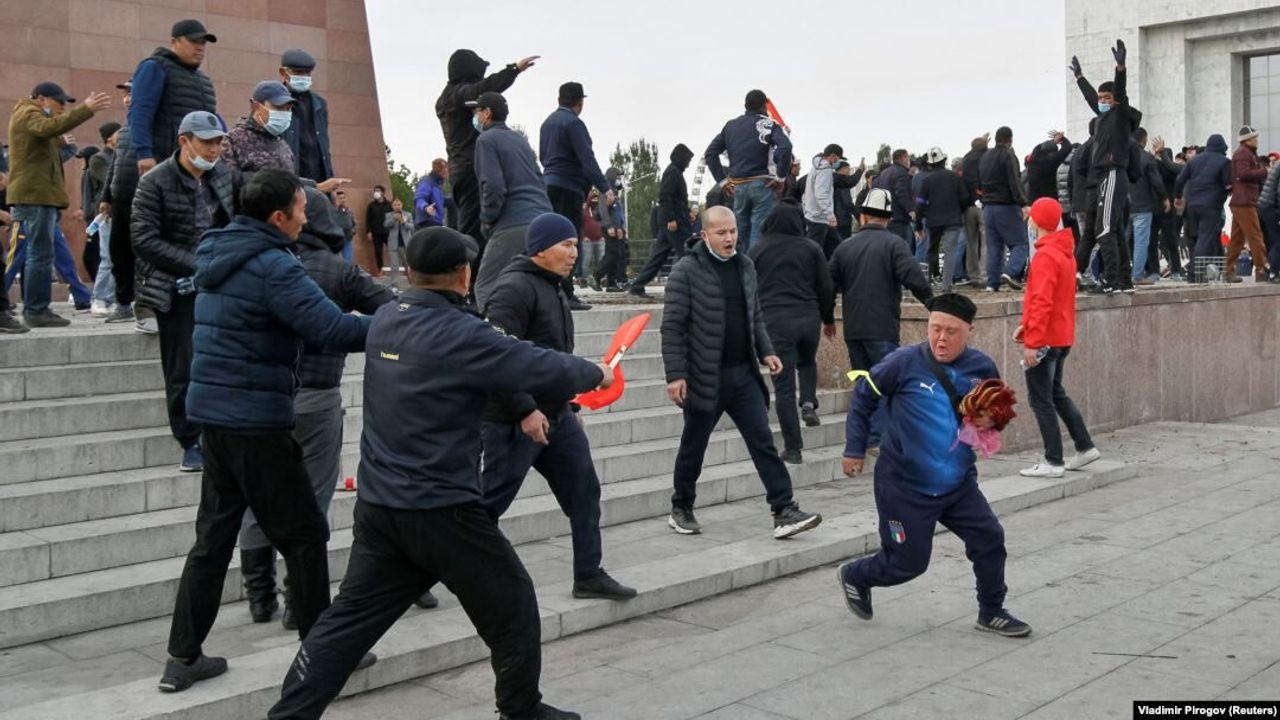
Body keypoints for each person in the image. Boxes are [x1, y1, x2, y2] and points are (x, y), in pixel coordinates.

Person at [267, 225, 607, 720]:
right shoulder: (462, 333)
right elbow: (534, 364)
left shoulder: (385, 318)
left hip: (382, 505)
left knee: (346, 623)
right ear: (463, 274)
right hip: (442, 508)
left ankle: (288, 715)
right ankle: (521, 707)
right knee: (512, 605)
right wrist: (594, 373)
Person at [159, 169, 372, 694]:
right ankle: (323, 657)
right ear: (279, 217)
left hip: (214, 417)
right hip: (254, 421)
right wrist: (407, 319)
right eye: (301, 209)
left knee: (212, 540)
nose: (306, 216)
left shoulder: (219, 251)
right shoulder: (274, 265)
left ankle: (181, 658)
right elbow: (333, 329)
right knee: (304, 534)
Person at [238, 186, 396, 628]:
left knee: (260, 496)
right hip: (317, 397)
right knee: (313, 500)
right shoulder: (338, 271)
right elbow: (390, 310)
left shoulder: (259, 265)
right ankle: (299, 599)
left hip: (263, 400)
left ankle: (259, 595)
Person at [836, 292, 1031, 638]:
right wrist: (855, 448)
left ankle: (991, 611)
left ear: (969, 330)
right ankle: (857, 575)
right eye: (935, 329)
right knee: (907, 563)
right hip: (903, 487)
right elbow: (864, 395)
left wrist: (991, 421)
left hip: (958, 485)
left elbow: (996, 412)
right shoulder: (903, 362)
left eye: (951, 331)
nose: (941, 338)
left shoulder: (981, 367)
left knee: (989, 538)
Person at [479, 212, 636, 600]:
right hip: (514, 421)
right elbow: (496, 360)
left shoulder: (554, 288)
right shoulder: (512, 290)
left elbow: (552, 358)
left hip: (557, 416)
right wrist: (525, 410)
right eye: (566, 244)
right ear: (539, 249)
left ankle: (588, 574)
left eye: (575, 244)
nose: (574, 252)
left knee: (584, 493)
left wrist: (569, 405)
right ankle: (421, 572)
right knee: (484, 509)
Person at [661, 205, 822, 538]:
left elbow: (756, 316)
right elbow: (672, 328)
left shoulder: (746, 266)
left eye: (733, 231)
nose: (730, 238)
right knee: (694, 445)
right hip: (703, 375)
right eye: (721, 233)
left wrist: (767, 351)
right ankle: (682, 507)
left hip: (742, 374)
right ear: (705, 235)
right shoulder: (685, 271)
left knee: (763, 441)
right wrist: (676, 375)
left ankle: (784, 509)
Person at [131, 110, 236, 474]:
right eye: (206, 142)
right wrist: (197, 264)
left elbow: (237, 216)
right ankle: (189, 440)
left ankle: (218, 430)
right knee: (183, 367)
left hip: (219, 282)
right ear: (184, 141)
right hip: (175, 287)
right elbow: (143, 239)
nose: (213, 149)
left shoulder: (222, 175)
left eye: (218, 142)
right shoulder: (154, 181)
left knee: (222, 361)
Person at [106, 21, 217, 325]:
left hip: (182, 170)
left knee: (173, 235)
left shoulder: (203, 82)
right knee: (130, 235)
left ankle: (160, 299)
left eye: (204, 44)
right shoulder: (154, 68)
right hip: (144, 167)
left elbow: (212, 124)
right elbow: (140, 112)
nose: (200, 48)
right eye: (194, 41)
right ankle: (126, 300)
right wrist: (144, 154)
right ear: (174, 41)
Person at [830, 187, 933, 452]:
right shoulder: (894, 245)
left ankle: (863, 436)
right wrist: (934, 306)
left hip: (853, 329)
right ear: (887, 218)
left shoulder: (845, 247)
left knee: (863, 383)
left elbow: (828, 286)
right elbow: (914, 279)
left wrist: (827, 318)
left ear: (862, 216)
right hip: (883, 329)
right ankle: (878, 437)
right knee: (885, 384)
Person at [6, 81, 110, 327]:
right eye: (59, 102)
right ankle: (36, 310)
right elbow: (46, 128)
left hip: (39, 196)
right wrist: (86, 109)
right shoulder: (28, 112)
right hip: (35, 196)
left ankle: (37, 308)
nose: (62, 108)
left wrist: (63, 144)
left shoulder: (31, 118)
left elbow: (47, 153)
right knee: (39, 254)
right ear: (41, 99)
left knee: (39, 253)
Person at [1016, 198, 1101, 478]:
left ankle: (1053, 460)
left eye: (1031, 216)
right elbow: (1050, 300)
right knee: (1055, 393)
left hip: (1046, 339)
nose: (1028, 220)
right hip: (1062, 336)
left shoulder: (1045, 256)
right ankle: (1085, 446)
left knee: (1041, 399)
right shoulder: (1065, 252)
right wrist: (1025, 326)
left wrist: (1033, 340)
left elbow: (1041, 301)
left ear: (1037, 221)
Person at [747, 201, 835, 464]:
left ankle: (794, 449)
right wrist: (827, 318)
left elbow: (746, 289)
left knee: (784, 388)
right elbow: (826, 287)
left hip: (775, 323)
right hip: (808, 320)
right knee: (807, 362)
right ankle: (808, 402)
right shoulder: (811, 247)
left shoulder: (758, 249)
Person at [436, 49, 538, 258]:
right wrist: (513, 70)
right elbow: (484, 88)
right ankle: (472, 283)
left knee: (464, 227)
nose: (481, 112)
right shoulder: (459, 95)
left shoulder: (447, 98)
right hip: (472, 171)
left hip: (459, 171)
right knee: (473, 233)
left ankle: (466, 281)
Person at [469, 92, 554, 308]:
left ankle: (495, 337)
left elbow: (494, 186)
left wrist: (488, 220)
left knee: (486, 285)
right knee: (531, 284)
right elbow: (539, 178)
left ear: (486, 113)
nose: (475, 116)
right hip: (543, 219)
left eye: (477, 111)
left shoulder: (486, 140)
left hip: (513, 222)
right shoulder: (520, 140)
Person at [1070, 40, 1142, 293]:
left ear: (1115, 101)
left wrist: (1120, 68)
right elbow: (1092, 98)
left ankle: (1111, 280)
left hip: (1112, 173)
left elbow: (1120, 93)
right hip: (1103, 177)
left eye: (1106, 98)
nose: (1101, 101)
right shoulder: (1101, 119)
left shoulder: (1120, 116)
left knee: (1104, 229)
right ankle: (1123, 280)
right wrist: (1080, 78)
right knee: (1114, 232)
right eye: (1101, 98)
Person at [539, 81, 609, 309]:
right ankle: (567, 294)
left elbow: (542, 157)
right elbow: (587, 159)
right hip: (569, 186)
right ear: (580, 102)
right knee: (569, 241)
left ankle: (551, 289)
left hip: (549, 185)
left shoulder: (547, 123)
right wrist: (604, 187)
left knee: (551, 239)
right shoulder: (574, 124)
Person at [704, 90, 793, 251]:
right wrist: (780, 176)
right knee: (758, 232)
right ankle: (754, 271)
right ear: (764, 106)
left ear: (745, 105)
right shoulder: (769, 124)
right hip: (763, 183)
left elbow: (710, 154)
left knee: (739, 234)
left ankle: (740, 270)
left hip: (737, 186)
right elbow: (786, 147)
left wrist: (723, 181)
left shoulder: (730, 126)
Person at [630, 143, 695, 297]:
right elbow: (665, 197)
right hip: (674, 224)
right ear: (681, 158)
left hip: (672, 222)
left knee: (658, 258)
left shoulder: (674, 172)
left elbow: (675, 200)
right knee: (688, 255)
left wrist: (687, 212)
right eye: (688, 159)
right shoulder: (673, 173)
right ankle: (688, 287)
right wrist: (671, 219)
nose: (688, 163)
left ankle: (637, 285)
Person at [1173, 134, 1232, 282]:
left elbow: (1180, 180)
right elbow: (1228, 185)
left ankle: (1195, 272)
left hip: (1192, 205)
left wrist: (1178, 197)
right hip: (1211, 206)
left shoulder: (1194, 161)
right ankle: (1194, 274)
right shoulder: (1225, 162)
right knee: (1205, 239)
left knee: (1196, 238)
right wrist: (1225, 194)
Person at [979, 126, 1030, 292]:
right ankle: (1010, 272)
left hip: (987, 207)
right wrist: (1023, 203)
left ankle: (992, 283)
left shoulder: (985, 156)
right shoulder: (1008, 156)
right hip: (1006, 206)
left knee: (994, 246)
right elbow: (1014, 182)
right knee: (1021, 243)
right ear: (1010, 139)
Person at [916, 147, 971, 291]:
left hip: (933, 221)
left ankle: (927, 283)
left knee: (931, 250)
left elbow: (920, 203)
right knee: (950, 251)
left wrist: (918, 225)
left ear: (930, 164)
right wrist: (959, 210)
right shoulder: (955, 178)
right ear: (944, 161)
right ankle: (946, 286)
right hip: (953, 220)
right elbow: (965, 198)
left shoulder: (927, 180)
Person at [277, 49, 333, 183]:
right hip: (291, 180)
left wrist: (331, 180)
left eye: (307, 73)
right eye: (298, 72)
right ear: (283, 72)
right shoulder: (275, 101)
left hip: (320, 180)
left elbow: (324, 146)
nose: (303, 76)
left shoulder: (319, 104)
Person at [1225, 125, 1272, 283]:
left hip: (1241, 201)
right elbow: (1243, 174)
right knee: (1255, 235)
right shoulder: (1244, 154)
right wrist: (1264, 171)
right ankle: (1261, 269)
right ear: (1248, 139)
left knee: (1237, 239)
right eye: (1255, 137)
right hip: (1245, 202)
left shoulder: (1244, 153)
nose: (1257, 140)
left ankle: (1228, 270)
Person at [88, 122, 122, 315]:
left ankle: (115, 297)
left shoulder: (120, 155)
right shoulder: (98, 159)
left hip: (121, 211)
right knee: (107, 257)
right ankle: (100, 298)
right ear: (109, 137)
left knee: (120, 258)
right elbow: (109, 180)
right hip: (107, 213)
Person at [1127, 128, 1168, 286]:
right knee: (1141, 242)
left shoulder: (1123, 156)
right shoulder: (1147, 158)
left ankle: (1117, 274)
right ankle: (1137, 275)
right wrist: (1164, 198)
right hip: (1143, 206)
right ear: (1144, 140)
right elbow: (1156, 181)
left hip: (1124, 206)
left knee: (1121, 241)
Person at [802, 143, 845, 259]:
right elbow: (821, 194)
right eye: (838, 158)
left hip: (814, 215)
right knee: (814, 252)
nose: (838, 161)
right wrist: (830, 214)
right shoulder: (825, 170)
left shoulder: (815, 167)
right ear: (832, 156)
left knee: (835, 246)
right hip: (819, 218)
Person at [960, 134, 989, 285]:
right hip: (984, 203)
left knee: (971, 242)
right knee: (986, 241)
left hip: (968, 205)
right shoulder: (988, 158)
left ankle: (973, 275)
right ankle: (985, 275)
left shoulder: (966, 160)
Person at [873, 149, 916, 250]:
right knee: (903, 249)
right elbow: (901, 192)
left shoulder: (884, 173)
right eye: (907, 157)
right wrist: (911, 210)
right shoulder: (902, 173)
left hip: (886, 216)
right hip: (899, 218)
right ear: (903, 158)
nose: (908, 161)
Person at [383, 197, 413, 287]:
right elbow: (386, 225)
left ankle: (412, 282)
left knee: (408, 265)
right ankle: (394, 284)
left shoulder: (408, 215)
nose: (397, 207)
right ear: (392, 206)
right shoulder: (388, 215)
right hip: (393, 245)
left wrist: (404, 222)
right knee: (394, 265)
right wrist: (394, 219)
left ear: (402, 205)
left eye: (398, 204)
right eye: (395, 205)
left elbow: (412, 227)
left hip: (405, 244)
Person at [365, 186, 392, 274]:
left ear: (383, 193)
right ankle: (380, 270)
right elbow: (368, 220)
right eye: (375, 191)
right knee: (378, 252)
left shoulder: (389, 204)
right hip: (376, 233)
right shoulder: (371, 205)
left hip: (388, 232)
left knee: (393, 251)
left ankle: (395, 269)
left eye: (377, 191)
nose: (375, 192)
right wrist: (369, 231)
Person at [414, 158, 448, 229]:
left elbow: (439, 201)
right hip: (426, 222)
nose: (447, 171)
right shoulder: (427, 181)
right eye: (444, 169)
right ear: (438, 171)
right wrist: (426, 207)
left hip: (437, 222)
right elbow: (420, 198)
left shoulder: (438, 185)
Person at [332, 189, 356, 261]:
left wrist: (353, 231)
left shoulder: (348, 211)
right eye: (340, 198)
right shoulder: (332, 210)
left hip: (347, 239)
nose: (342, 200)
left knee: (348, 260)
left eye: (343, 198)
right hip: (336, 239)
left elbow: (353, 222)